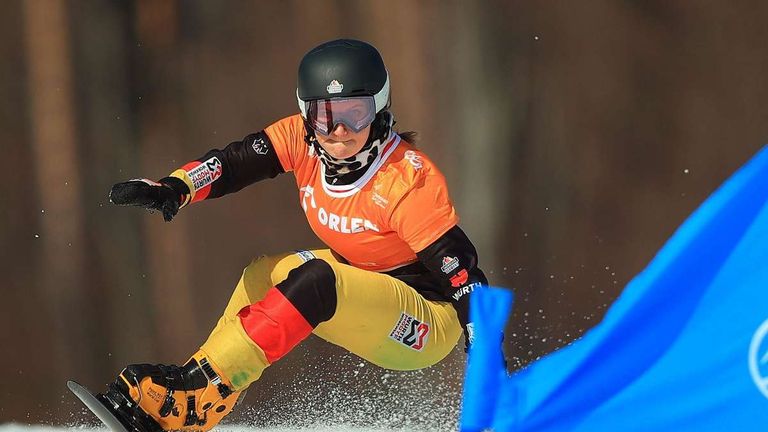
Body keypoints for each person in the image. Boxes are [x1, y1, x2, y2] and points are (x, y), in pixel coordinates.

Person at [103, 38, 488, 431]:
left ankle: (195, 392)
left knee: (317, 280)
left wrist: (484, 344)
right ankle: (195, 402)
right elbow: (233, 164)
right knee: (263, 275)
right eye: (325, 116)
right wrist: (177, 187)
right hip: (362, 281)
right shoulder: (300, 140)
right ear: (306, 115)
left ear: (379, 108)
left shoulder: (405, 178)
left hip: (423, 319)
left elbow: (461, 271)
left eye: (355, 114)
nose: (339, 131)